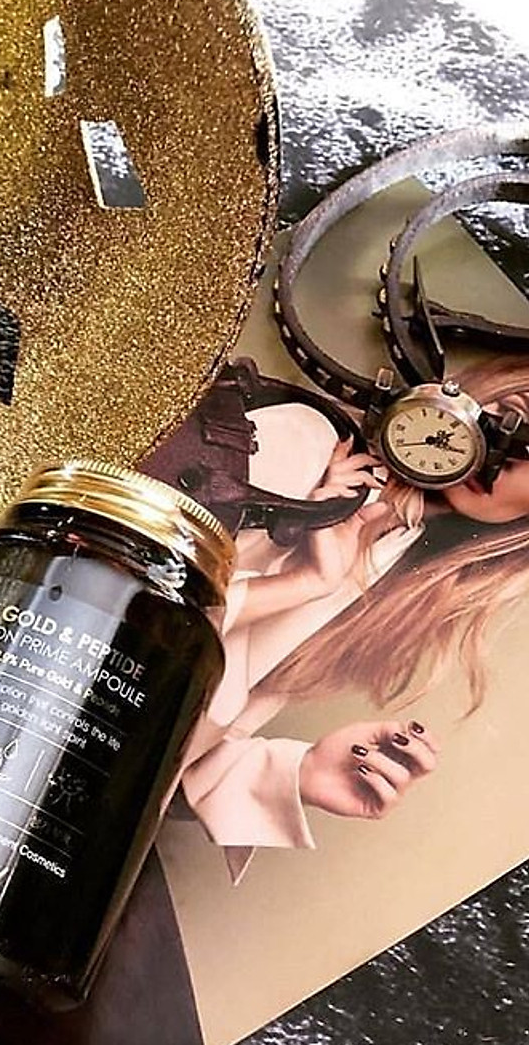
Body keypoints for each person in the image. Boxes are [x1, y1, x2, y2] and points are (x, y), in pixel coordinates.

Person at [178, 355, 529, 879]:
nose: (503, 455)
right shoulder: (302, 438)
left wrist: (298, 773)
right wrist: (299, 584)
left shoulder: (394, 583)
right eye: (512, 416)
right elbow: (118, 607)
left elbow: (175, 750)